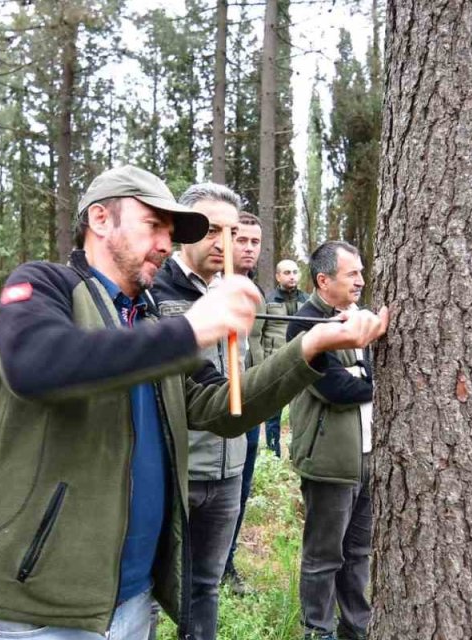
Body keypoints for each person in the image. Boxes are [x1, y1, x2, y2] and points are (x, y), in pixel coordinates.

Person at [0, 165, 388, 640]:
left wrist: (310, 346)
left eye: (170, 232)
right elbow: (34, 364)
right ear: (100, 219)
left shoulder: (145, 319)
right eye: (153, 225)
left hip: (134, 597)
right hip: (37, 608)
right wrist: (191, 329)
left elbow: (219, 406)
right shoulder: (45, 285)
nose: (165, 244)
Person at [148, 183, 247, 640]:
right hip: (172, 467)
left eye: (232, 232)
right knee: (150, 588)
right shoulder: (155, 288)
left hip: (228, 467)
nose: (223, 242)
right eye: (210, 230)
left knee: (206, 585)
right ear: (185, 230)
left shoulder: (238, 292)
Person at [287, 241, 379, 640]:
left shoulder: (361, 319)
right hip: (328, 459)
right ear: (324, 280)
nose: (361, 281)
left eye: (361, 272)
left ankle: (356, 627)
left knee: (358, 553)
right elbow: (336, 389)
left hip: (368, 458)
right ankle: (318, 630)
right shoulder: (303, 324)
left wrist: (365, 378)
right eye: (352, 274)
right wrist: (370, 381)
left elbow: (370, 377)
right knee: (324, 555)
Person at [223, 212, 264, 596]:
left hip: (251, 408)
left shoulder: (256, 293)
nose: (249, 248)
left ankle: (227, 562)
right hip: (213, 406)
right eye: (242, 240)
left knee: (241, 487)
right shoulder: (210, 291)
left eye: (255, 242)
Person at [259, 259, 310, 457]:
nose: (292, 276)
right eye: (287, 272)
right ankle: (273, 455)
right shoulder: (268, 300)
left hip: (301, 362)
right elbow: (259, 333)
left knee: (302, 413)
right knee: (273, 414)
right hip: (275, 363)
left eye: (295, 272)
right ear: (278, 276)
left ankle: (299, 455)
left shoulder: (307, 300)